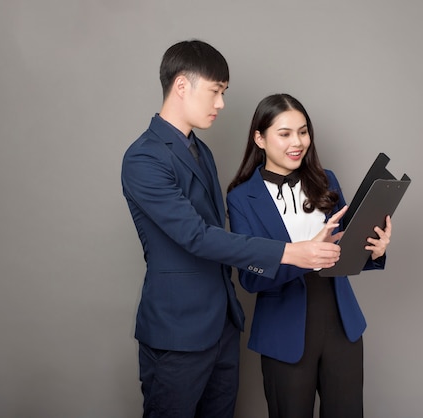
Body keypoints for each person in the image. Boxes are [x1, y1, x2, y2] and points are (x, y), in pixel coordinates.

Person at [121, 41, 344, 418]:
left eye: (224, 93)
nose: (221, 103)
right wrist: (292, 252)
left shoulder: (201, 151)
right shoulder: (143, 157)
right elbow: (196, 236)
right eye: (215, 91)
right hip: (177, 331)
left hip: (222, 326)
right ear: (181, 86)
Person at [226, 93, 393, 418]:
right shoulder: (241, 198)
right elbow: (249, 276)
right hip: (282, 332)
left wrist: (375, 248)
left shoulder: (326, 179)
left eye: (303, 131)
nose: (297, 142)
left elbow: (348, 247)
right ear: (259, 138)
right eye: (285, 133)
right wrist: (304, 256)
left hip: (342, 326)